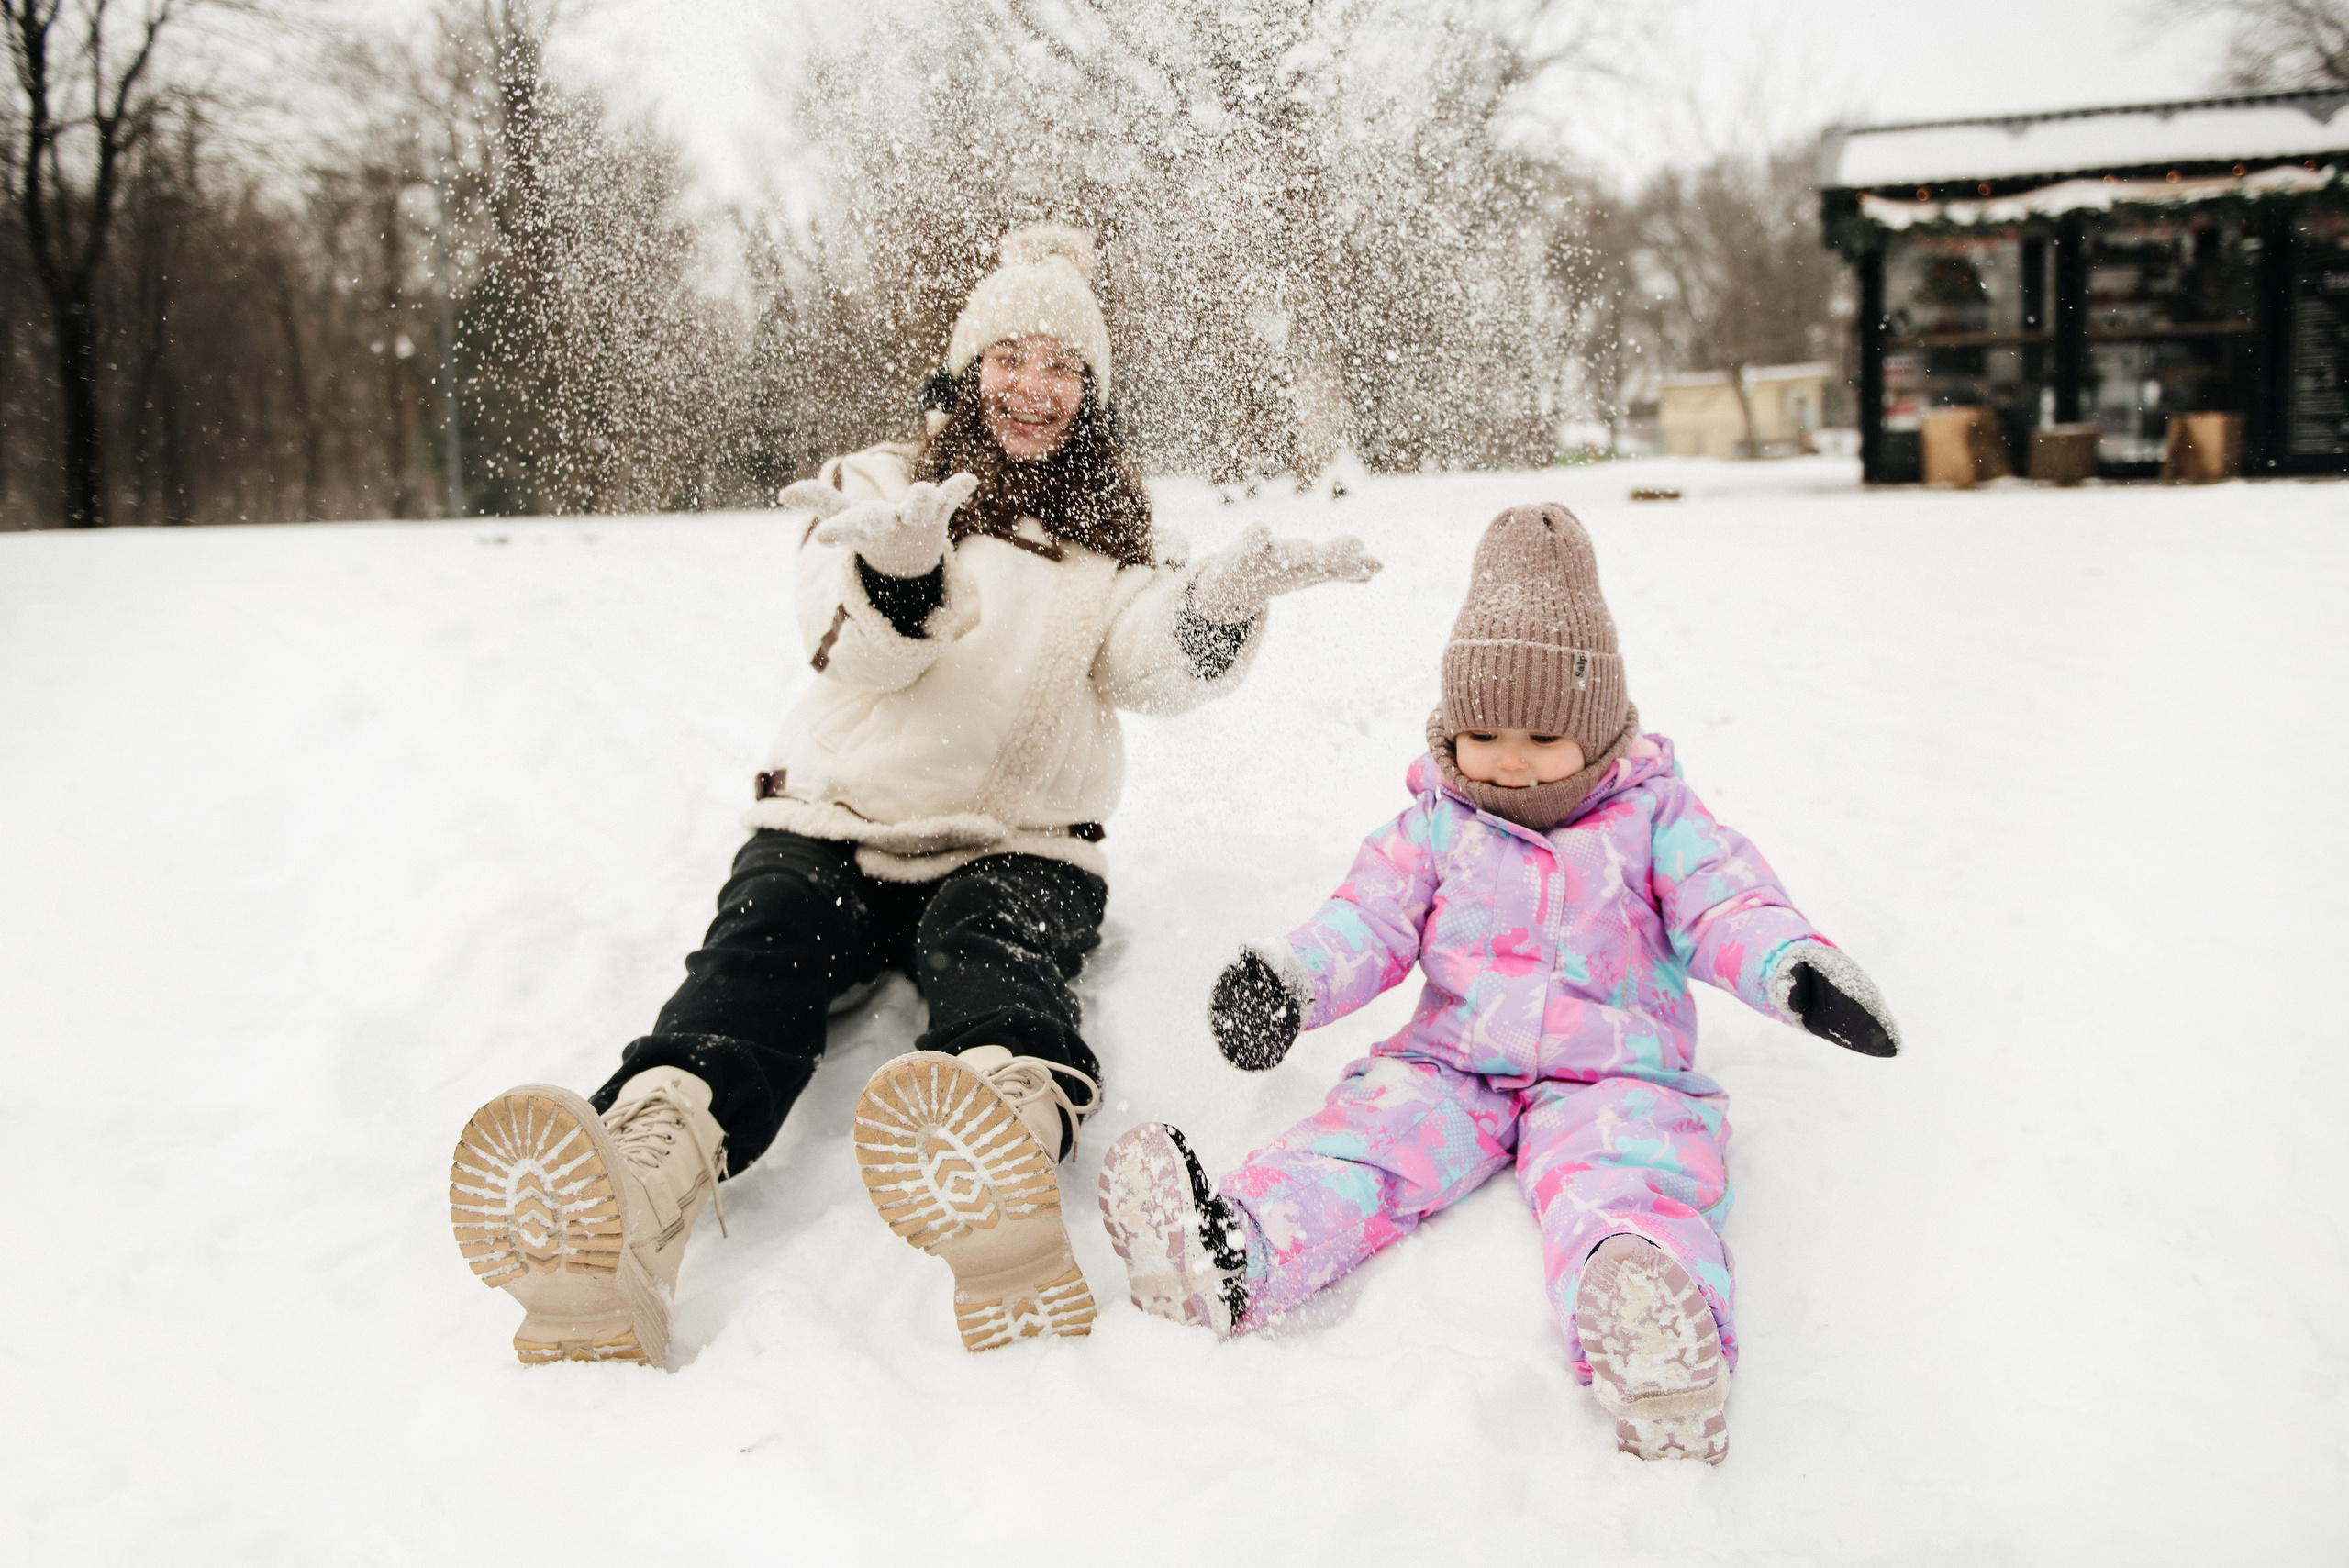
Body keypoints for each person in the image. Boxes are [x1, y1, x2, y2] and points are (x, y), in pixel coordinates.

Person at [447, 226, 1380, 1364]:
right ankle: (637, 1197)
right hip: (835, 821)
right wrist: (897, 569)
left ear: (1092, 392)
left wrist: (1217, 603)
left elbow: (1142, 660)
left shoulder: (1117, 538)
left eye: (1061, 365)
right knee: (752, 967)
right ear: (966, 366)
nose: (1031, 387)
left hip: (1018, 840)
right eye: (1008, 357)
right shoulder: (881, 485)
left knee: (1001, 962)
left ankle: (1006, 1153)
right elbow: (847, 650)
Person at [1097, 503, 1899, 1463]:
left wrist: (1790, 967)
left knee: (1627, 1179)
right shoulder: (1436, 824)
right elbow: (1368, 917)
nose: (1508, 757)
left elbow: (1724, 901)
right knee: (1364, 1143)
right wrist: (1294, 978)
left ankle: (1658, 1344)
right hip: (1453, 1062)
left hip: (1616, 1073)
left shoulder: (1654, 817)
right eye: (1482, 731)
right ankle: (1235, 1251)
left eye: (1539, 733)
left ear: (1597, 729)